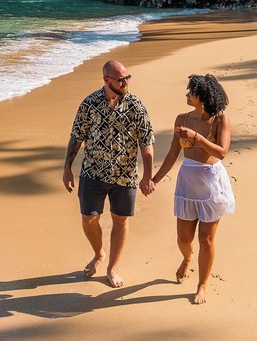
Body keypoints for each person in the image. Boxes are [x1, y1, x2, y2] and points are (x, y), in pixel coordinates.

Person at [62, 59, 155, 288]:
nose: (125, 82)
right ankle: (99, 253)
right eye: (121, 79)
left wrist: (147, 176)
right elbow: (77, 137)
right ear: (106, 80)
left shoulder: (136, 106)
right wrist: (67, 168)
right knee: (89, 218)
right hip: (92, 171)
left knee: (120, 221)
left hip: (125, 174)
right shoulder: (89, 103)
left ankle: (113, 268)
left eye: (127, 78)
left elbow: (146, 142)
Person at [151, 73, 235, 304]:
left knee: (206, 239)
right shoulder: (182, 119)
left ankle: (202, 285)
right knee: (183, 239)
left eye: (192, 92)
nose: (187, 95)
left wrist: (197, 137)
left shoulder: (220, 120)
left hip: (211, 183)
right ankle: (187, 258)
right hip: (187, 182)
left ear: (204, 97)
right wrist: (154, 180)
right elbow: (172, 154)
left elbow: (221, 152)